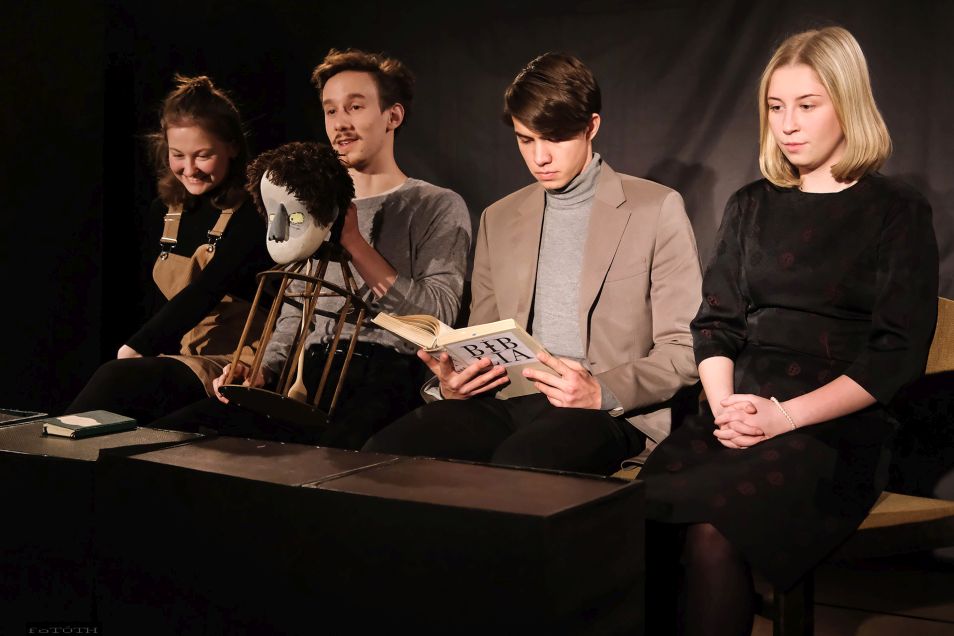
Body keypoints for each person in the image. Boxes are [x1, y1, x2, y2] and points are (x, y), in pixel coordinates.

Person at [639, 26, 939, 635]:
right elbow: (715, 324)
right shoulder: (750, 204)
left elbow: (896, 354)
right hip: (741, 407)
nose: (788, 124)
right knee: (641, 514)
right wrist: (726, 407)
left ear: (847, 105)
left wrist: (784, 418)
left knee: (713, 529)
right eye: (776, 107)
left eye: (807, 105)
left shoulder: (896, 210)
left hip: (835, 425)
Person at [363, 53, 702, 475]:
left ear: (591, 127)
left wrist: (603, 390)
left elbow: (685, 348)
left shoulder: (656, 208)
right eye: (526, 140)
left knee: (520, 469)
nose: (540, 157)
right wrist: (455, 380)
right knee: (382, 456)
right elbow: (481, 335)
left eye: (555, 139)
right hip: (507, 398)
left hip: (604, 409)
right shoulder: (499, 217)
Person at [152, 49, 471, 449]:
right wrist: (262, 370)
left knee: (325, 461)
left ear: (393, 116)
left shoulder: (435, 205)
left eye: (355, 107)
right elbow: (294, 311)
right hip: (307, 375)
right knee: (177, 440)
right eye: (330, 110)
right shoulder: (309, 204)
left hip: (383, 379)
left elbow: (439, 317)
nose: (340, 123)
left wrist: (353, 242)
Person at [67, 75, 269, 424]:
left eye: (203, 155)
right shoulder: (164, 211)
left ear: (233, 147)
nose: (189, 169)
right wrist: (149, 355)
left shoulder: (254, 211)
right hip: (186, 357)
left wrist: (139, 347)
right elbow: (160, 303)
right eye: (178, 155)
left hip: (241, 362)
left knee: (116, 378)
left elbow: (207, 289)